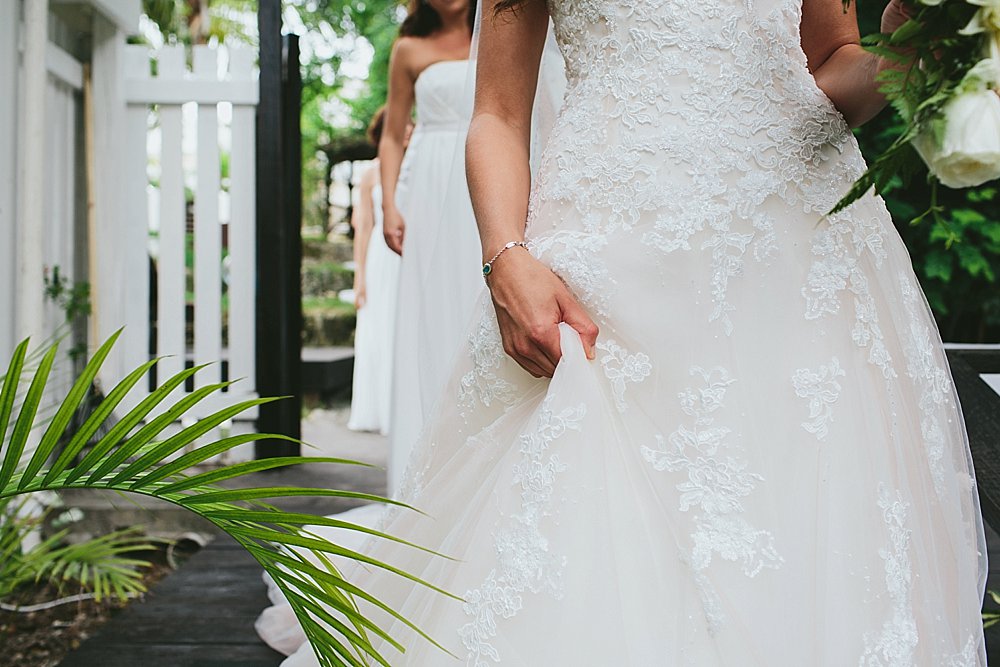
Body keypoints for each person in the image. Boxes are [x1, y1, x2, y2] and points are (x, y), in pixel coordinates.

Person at [277, 0, 988, 663]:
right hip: (609, 263)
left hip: (803, 266)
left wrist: (912, 50)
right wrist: (505, 255)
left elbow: (831, 67)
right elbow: (497, 113)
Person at [379, 0, 482, 496]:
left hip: (490, 177)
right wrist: (389, 204)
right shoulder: (408, 49)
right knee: (432, 311)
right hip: (431, 188)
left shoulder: (505, 26)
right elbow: (392, 136)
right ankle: (420, 478)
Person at [348, 109, 403, 434]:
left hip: (408, 255)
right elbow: (364, 227)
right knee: (379, 327)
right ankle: (379, 409)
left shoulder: (416, 165)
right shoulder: (370, 174)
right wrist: (360, 277)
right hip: (381, 258)